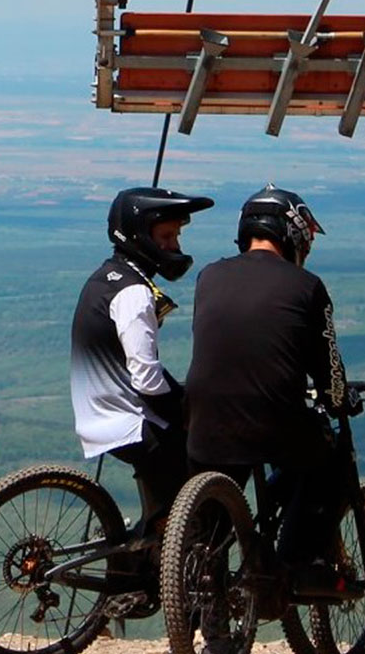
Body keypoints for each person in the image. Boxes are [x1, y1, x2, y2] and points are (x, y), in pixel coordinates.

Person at [185, 185, 350, 598]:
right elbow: (328, 366)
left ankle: (203, 636)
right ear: (293, 233)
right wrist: (340, 400)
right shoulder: (307, 286)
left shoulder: (209, 275)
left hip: (202, 420)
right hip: (274, 420)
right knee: (329, 463)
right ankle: (291, 566)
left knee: (211, 524)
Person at [70, 186, 213, 537]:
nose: (174, 246)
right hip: (129, 422)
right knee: (206, 478)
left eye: (176, 235)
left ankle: (145, 550)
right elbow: (147, 379)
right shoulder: (134, 293)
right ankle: (157, 556)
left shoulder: (104, 278)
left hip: (98, 416)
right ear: (139, 235)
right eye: (166, 236)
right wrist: (187, 415)